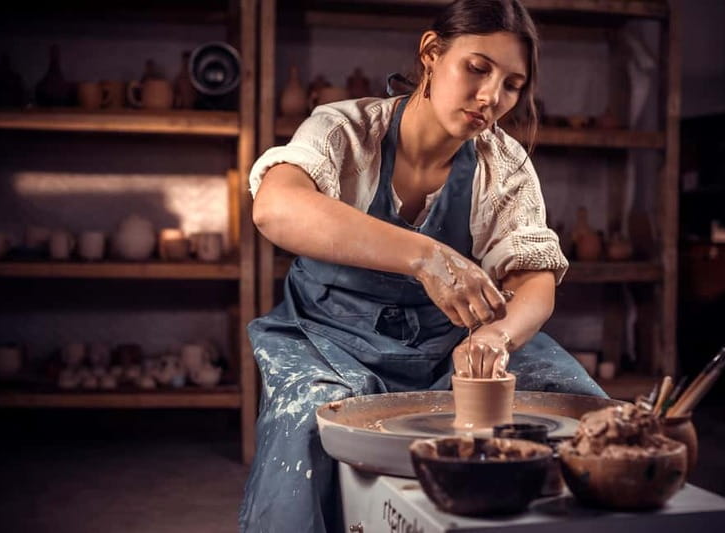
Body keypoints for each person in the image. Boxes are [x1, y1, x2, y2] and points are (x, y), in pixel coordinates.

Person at [239, 1, 605, 531]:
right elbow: (276, 208)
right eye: (477, 69)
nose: (490, 98)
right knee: (307, 424)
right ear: (432, 54)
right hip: (328, 340)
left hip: (446, 348)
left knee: (581, 411)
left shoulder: (502, 164)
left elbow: (533, 278)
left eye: (512, 85)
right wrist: (426, 256)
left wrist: (498, 335)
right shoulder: (345, 128)